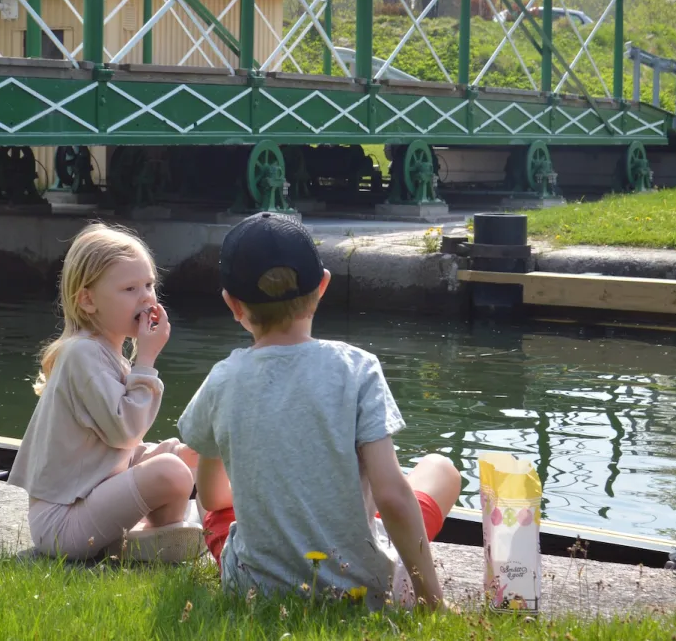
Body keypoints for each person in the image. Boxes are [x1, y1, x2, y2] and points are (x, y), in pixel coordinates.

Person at [177, 212, 462, 610]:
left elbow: (212, 496)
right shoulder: (358, 368)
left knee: (218, 515)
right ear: (323, 285)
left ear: (232, 304)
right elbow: (393, 496)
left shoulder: (222, 379)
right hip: (364, 589)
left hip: (255, 590)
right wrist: (433, 600)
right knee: (440, 469)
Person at [10, 222, 202, 562]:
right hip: (62, 523)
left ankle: (152, 537)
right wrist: (146, 359)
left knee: (186, 454)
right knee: (171, 470)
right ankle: (145, 542)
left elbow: (111, 451)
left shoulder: (106, 354)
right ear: (87, 300)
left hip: (88, 499)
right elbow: (125, 430)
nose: (145, 297)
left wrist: (166, 450)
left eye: (149, 285)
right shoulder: (82, 354)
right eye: (129, 289)